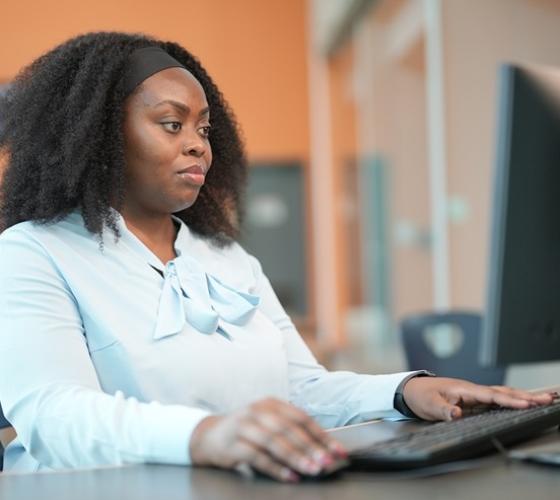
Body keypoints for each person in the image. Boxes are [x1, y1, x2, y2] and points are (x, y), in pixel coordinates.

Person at [0, 32, 554, 481]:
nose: (198, 145)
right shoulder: (34, 252)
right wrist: (204, 435)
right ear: (98, 136)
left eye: (204, 128)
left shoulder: (223, 256)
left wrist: (407, 391)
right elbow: (54, 415)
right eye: (172, 124)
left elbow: (300, 388)